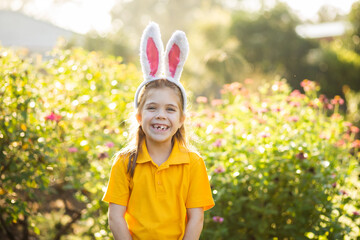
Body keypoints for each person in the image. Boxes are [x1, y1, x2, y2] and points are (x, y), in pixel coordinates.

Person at [102, 22, 214, 240]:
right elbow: (115, 217)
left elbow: (196, 219)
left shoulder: (193, 163)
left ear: (181, 120)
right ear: (139, 116)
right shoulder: (125, 162)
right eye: (152, 107)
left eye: (170, 109)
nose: (161, 115)